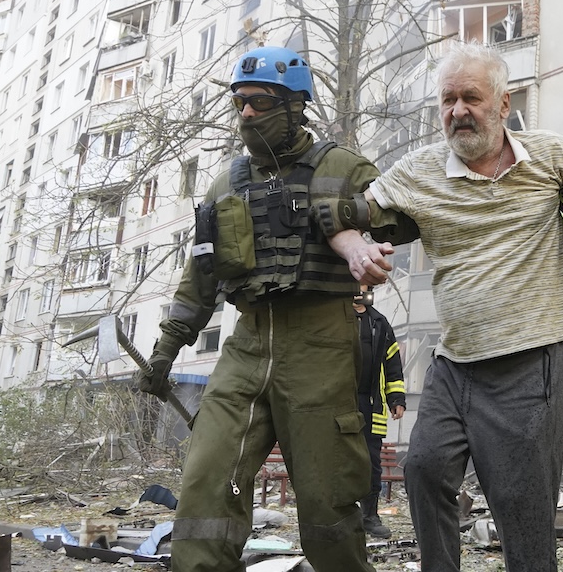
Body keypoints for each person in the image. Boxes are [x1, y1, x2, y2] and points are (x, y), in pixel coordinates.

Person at [141, 46, 407, 572]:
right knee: (207, 484)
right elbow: (200, 279)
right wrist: (165, 351)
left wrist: (351, 221)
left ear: (294, 105)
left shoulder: (343, 167)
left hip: (323, 346)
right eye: (238, 103)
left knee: (327, 506)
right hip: (245, 346)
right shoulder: (225, 185)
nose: (245, 115)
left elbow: (404, 218)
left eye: (258, 103)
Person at [351, 41, 563, 571]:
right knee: (422, 468)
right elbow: (354, 212)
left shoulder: (550, 154)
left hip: (529, 360)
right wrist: (354, 245)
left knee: (522, 507)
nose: (457, 111)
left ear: (503, 104)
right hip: (455, 361)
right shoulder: (419, 171)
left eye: (471, 97)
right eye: (448, 100)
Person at [354, 290, 406, 539]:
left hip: (370, 403)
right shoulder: (335, 317)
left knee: (371, 462)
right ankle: (337, 516)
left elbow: (393, 364)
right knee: (335, 458)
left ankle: (369, 516)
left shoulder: (379, 323)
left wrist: (397, 399)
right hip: (336, 401)